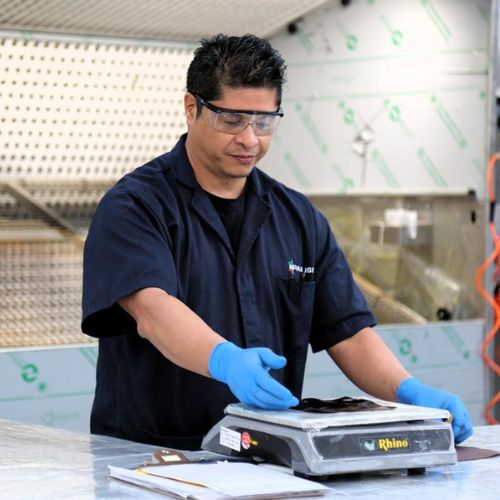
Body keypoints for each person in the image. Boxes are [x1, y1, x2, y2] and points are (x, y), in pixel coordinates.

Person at [82, 33, 472, 450]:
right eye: (232, 120)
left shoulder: (297, 218)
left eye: (264, 122)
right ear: (191, 108)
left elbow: (348, 332)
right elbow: (153, 311)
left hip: (265, 457)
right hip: (153, 458)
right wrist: (224, 361)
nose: (250, 139)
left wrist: (409, 393)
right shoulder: (136, 206)